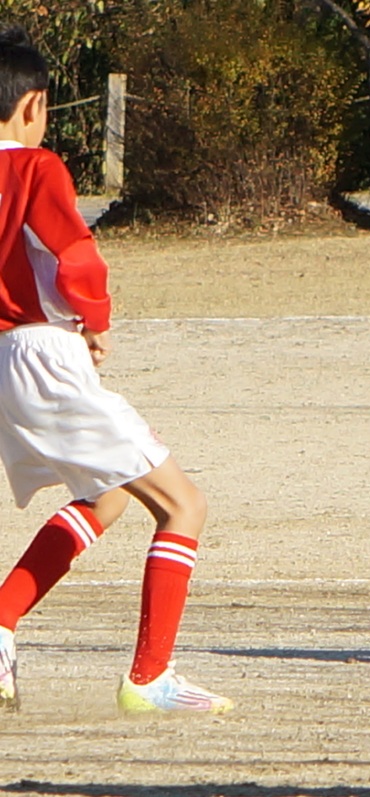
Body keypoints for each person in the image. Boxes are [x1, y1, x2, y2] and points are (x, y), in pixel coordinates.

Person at [0, 25, 232, 714]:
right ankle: (149, 679)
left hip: (4, 361)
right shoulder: (36, 167)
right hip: (42, 354)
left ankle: (3, 619)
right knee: (183, 503)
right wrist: (94, 319)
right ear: (34, 106)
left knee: (109, 493)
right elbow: (75, 254)